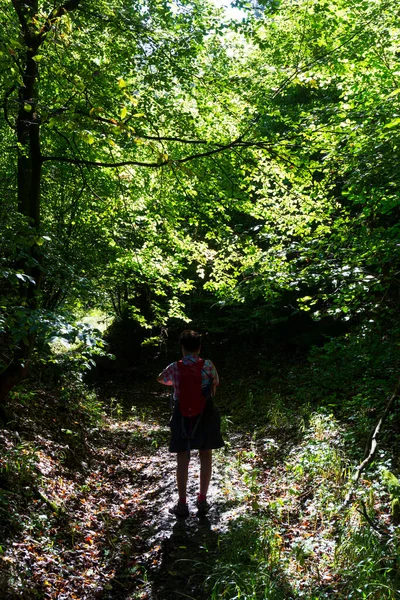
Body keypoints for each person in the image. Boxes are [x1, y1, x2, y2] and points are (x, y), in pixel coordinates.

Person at [157, 330, 224, 517]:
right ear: (199, 348)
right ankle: (202, 500)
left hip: (182, 414)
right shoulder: (208, 365)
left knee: (182, 458)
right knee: (206, 455)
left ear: (182, 348)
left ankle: (182, 503)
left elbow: (160, 378)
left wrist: (176, 384)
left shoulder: (175, 367)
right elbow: (215, 384)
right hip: (206, 413)